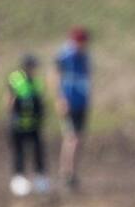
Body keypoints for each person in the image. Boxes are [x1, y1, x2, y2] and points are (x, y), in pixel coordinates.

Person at [51, 27, 92, 190]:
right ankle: (66, 173)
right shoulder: (65, 55)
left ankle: (73, 173)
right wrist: (60, 99)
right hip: (68, 101)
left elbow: (87, 78)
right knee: (71, 138)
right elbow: (55, 75)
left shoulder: (85, 57)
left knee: (79, 138)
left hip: (81, 102)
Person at [7, 54, 48, 196]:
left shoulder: (36, 81)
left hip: (34, 124)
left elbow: (40, 101)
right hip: (19, 123)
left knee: (38, 151)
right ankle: (18, 179)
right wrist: (12, 118)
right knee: (19, 152)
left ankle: (40, 178)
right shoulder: (16, 79)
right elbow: (10, 100)